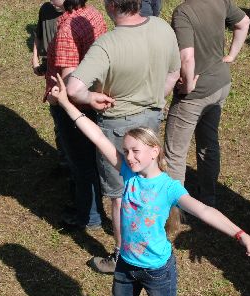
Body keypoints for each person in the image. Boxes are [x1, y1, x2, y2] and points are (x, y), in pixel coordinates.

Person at [48, 73, 250, 296]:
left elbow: (204, 211)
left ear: (154, 151)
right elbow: (96, 135)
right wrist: (67, 104)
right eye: (126, 152)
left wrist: (241, 234)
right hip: (126, 265)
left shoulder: (167, 188)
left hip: (157, 271)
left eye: (136, 151)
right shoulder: (127, 172)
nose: (130, 157)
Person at [66, 0, 180, 273]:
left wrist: (91, 97)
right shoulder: (163, 28)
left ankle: (123, 255)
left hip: (118, 127)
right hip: (151, 120)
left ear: (111, 5)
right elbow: (174, 73)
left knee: (121, 194)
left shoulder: (107, 44)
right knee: (147, 184)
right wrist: (154, 98)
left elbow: (73, 88)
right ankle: (152, 238)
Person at [164, 0, 250, 207]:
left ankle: (177, 208)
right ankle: (208, 198)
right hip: (220, 83)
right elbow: (244, 22)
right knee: (208, 143)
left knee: (175, 153)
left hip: (196, 93)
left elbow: (187, 58)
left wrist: (186, 88)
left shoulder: (183, 12)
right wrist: (231, 55)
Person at [45, 0, 107, 230]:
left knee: (81, 163)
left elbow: (69, 81)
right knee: (91, 158)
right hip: (93, 95)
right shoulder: (91, 14)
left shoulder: (67, 28)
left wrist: (56, 98)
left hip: (74, 106)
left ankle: (89, 216)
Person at [32, 1, 63, 76]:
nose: (52, 2)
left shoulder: (74, 15)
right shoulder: (46, 9)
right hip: (49, 65)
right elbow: (38, 35)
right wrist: (35, 60)